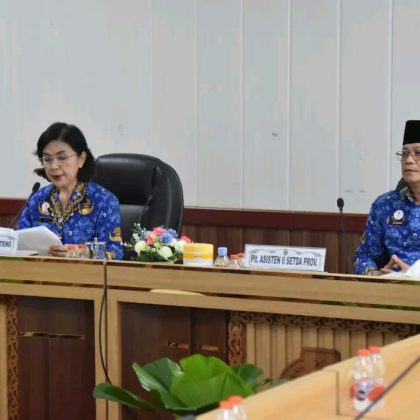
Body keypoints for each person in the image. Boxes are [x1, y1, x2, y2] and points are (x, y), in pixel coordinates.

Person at [18, 122, 124, 259]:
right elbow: (19, 245)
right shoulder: (36, 199)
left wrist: (83, 253)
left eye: (62, 158)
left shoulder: (104, 201)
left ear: (81, 159)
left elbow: (116, 252)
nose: (54, 166)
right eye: (47, 159)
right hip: (41, 272)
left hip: (85, 273)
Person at [353, 120, 420, 275]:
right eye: (404, 153)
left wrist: (413, 275)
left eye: (418, 153)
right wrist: (375, 275)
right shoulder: (385, 205)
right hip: (389, 287)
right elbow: (363, 256)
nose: (409, 160)